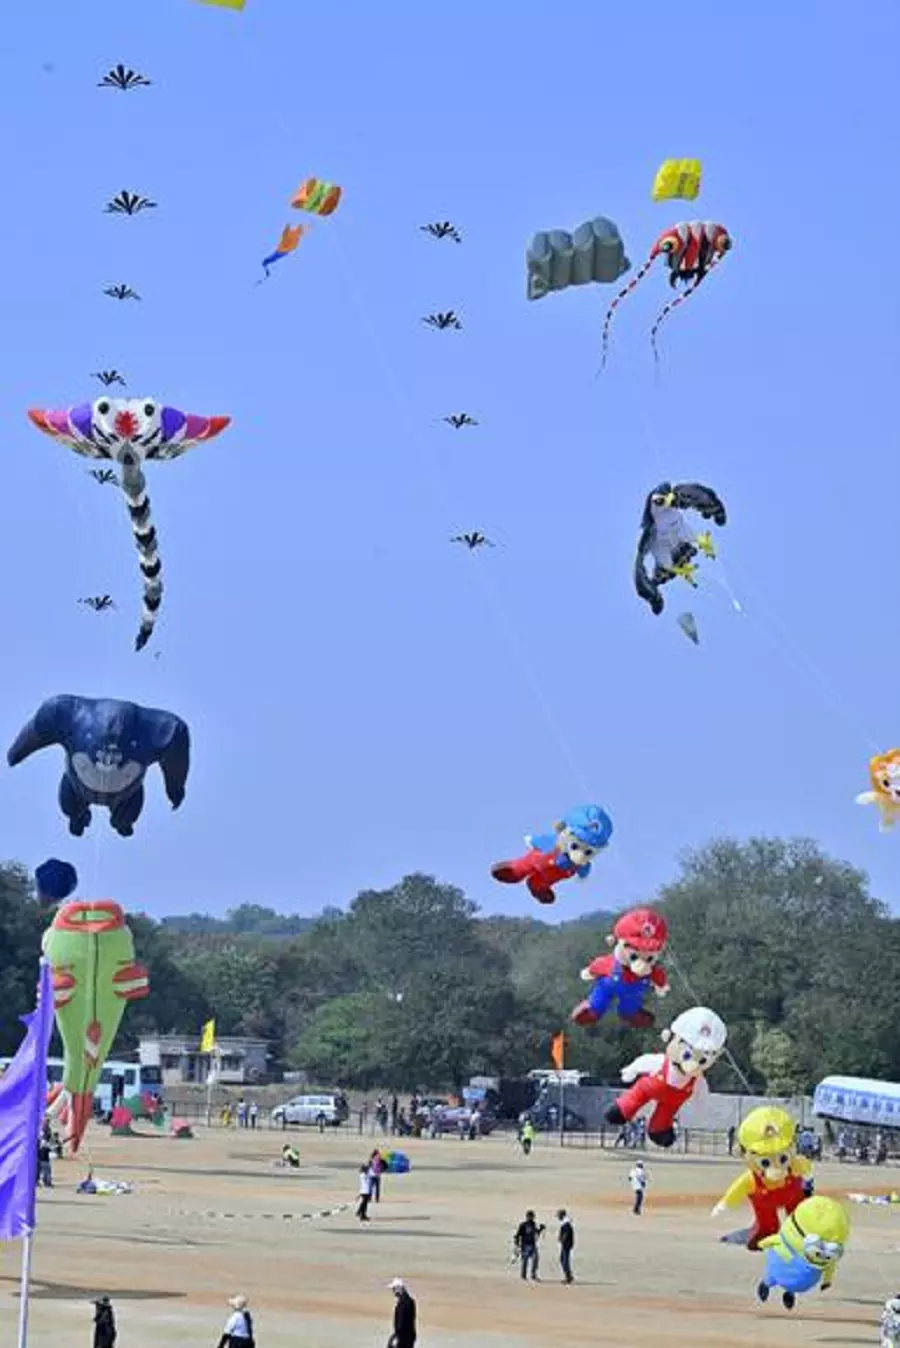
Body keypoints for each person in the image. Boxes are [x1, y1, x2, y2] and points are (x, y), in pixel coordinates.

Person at [514, 1210, 545, 1281]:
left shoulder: (534, 1224)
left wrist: (541, 1229)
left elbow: (536, 1234)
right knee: (525, 1261)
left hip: (533, 1245)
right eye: (530, 1216)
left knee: (536, 1259)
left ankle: (533, 1274)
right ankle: (523, 1275)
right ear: (527, 1217)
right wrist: (516, 1244)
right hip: (524, 1245)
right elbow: (518, 1235)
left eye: (532, 1217)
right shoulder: (523, 1225)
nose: (531, 1218)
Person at [388, 1277, 416, 1348]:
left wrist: (396, 1337)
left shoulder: (402, 1303)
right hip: (410, 1337)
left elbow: (400, 1323)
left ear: (399, 1289)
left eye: (394, 1289)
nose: (393, 1291)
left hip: (402, 1338)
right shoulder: (411, 1301)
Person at [557, 1208, 575, 1284]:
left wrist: (562, 1239)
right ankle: (568, 1276)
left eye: (558, 1215)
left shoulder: (566, 1223)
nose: (558, 1217)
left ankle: (568, 1277)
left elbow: (566, 1234)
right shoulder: (566, 1222)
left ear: (562, 1215)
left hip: (566, 1244)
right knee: (562, 1260)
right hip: (566, 1244)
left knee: (564, 1261)